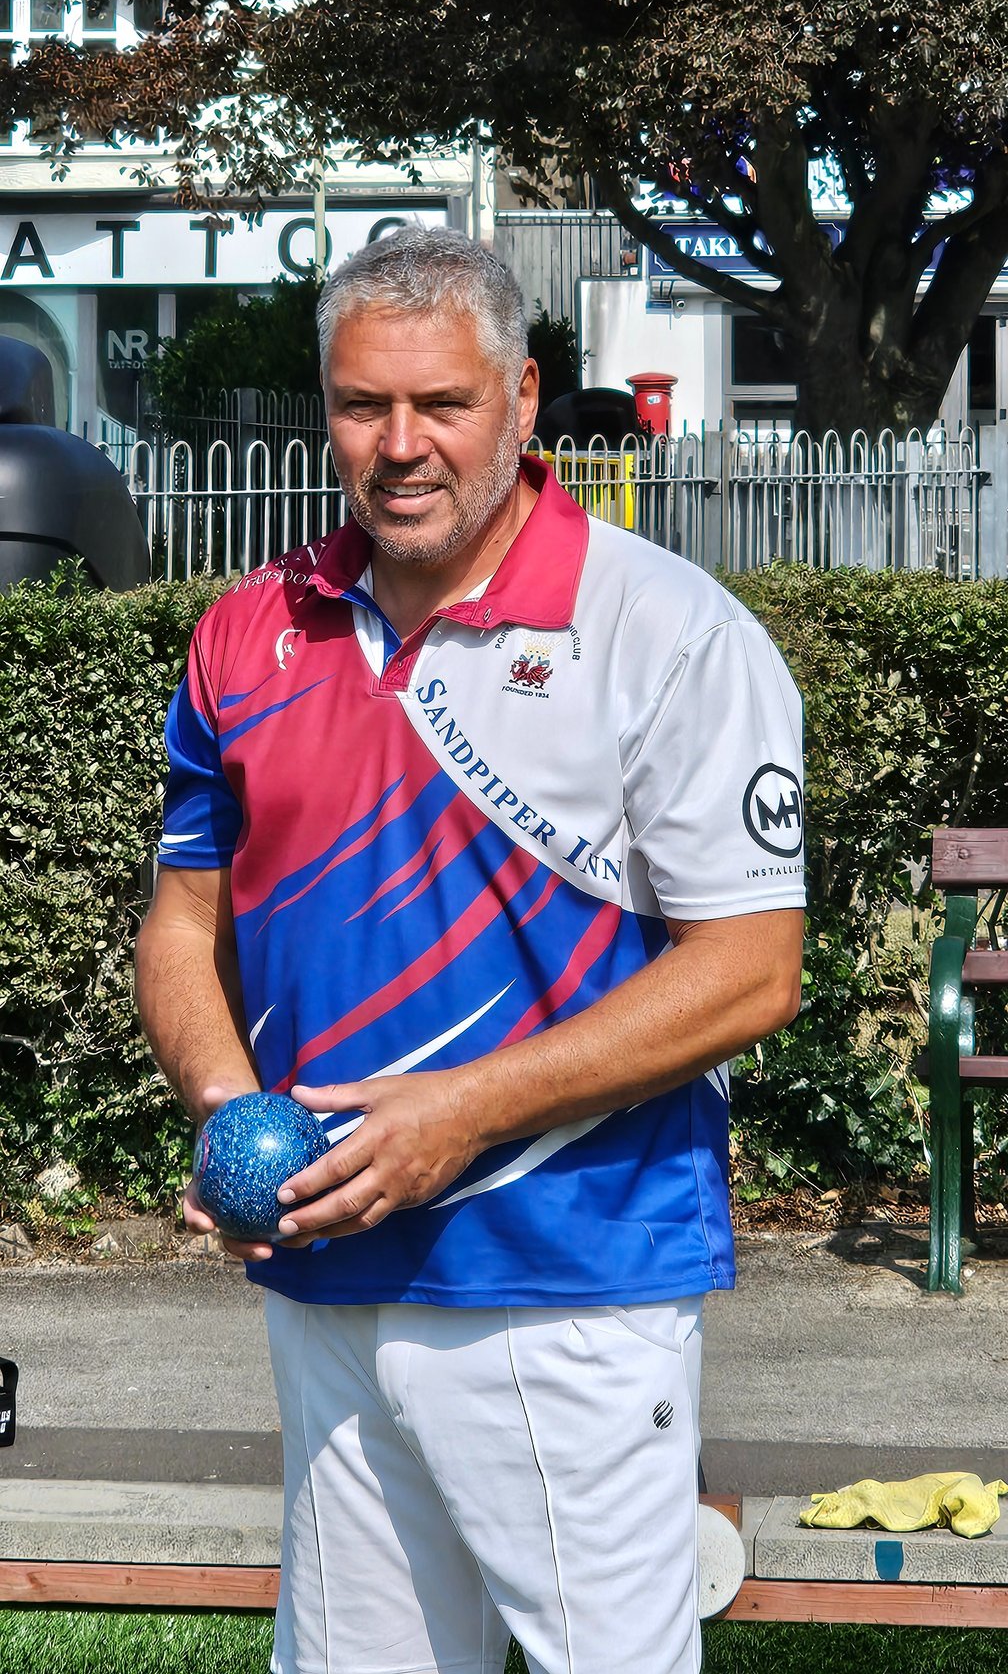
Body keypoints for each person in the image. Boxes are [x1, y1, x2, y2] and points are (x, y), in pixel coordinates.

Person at [136, 228, 805, 1674]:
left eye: (441, 404)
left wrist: (465, 1113)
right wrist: (219, 1109)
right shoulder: (250, 631)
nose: (400, 445)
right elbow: (185, 923)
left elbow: (752, 966)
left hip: (571, 1281)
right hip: (326, 1271)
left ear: (522, 400)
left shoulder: (666, 631)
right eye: (363, 405)